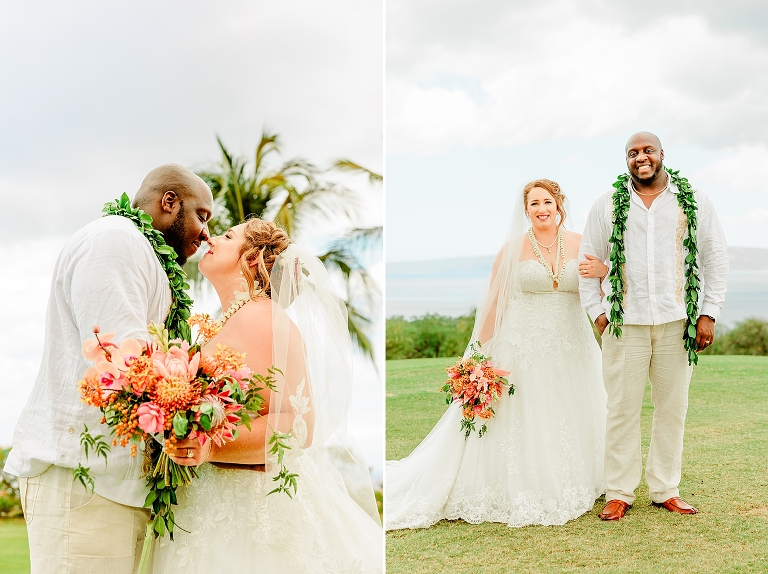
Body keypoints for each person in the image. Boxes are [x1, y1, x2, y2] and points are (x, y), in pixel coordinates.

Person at [4, 164, 214, 573]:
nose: (206, 232)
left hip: (115, 484)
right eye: (202, 215)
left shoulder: (141, 252)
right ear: (169, 202)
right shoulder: (116, 241)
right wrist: (198, 417)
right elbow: (122, 365)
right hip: (83, 479)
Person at [152, 219, 383, 573]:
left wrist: (211, 445)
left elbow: (297, 425)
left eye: (227, 236)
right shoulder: (234, 319)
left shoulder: (260, 318)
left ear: (252, 259)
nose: (211, 238)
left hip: (253, 511)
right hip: (215, 501)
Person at [385, 179, 607, 530]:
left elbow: (606, 285)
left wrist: (603, 271)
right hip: (524, 346)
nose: (541, 209)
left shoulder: (583, 244)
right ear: (526, 210)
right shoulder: (512, 249)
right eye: (534, 204)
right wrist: (479, 355)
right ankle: (528, 481)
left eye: (547, 201)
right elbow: (493, 306)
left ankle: (579, 475)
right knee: (528, 413)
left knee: (571, 408)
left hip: (572, 345)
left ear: (559, 204)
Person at [579, 131, 728, 521]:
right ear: (626, 160)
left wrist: (708, 313)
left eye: (647, 151)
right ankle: (619, 493)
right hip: (623, 324)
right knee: (622, 410)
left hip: (676, 321)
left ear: (663, 154)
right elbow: (588, 261)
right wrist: (597, 312)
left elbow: (714, 257)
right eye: (633, 153)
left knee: (672, 408)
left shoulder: (692, 201)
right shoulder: (607, 204)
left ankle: (665, 489)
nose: (640, 157)